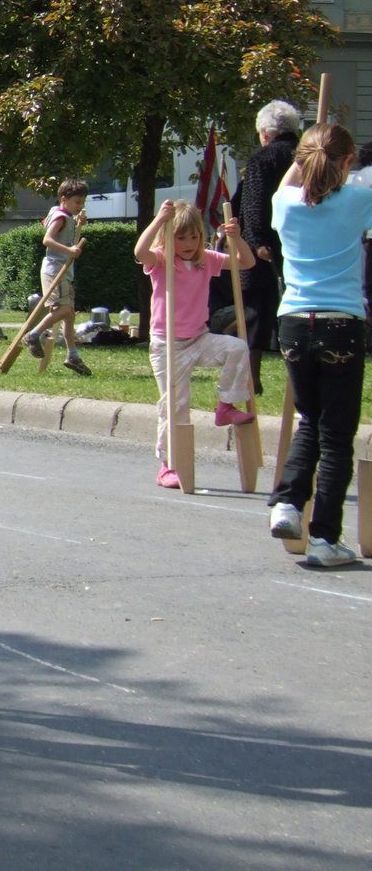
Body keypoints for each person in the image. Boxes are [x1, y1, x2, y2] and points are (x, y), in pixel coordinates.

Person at [267, 122, 372, 567]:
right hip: (341, 322)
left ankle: (288, 504)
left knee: (309, 419)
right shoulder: (359, 200)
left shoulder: (285, 204)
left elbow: (289, 183)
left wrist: (307, 155)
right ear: (347, 162)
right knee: (336, 434)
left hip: (294, 321)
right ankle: (326, 538)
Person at [133, 199, 257, 488]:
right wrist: (159, 219)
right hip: (168, 345)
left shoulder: (206, 259)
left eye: (194, 237)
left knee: (238, 348)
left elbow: (246, 263)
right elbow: (140, 252)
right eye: (181, 237)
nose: (189, 244)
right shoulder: (162, 259)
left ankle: (227, 404)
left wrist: (236, 239)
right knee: (176, 405)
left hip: (199, 338)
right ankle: (168, 464)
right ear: (168, 237)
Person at [240, 100, 302, 394]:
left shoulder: (264, 157)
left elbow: (253, 203)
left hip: (267, 244)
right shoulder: (309, 156)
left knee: (257, 308)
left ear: (265, 133)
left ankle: (253, 377)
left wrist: (256, 243)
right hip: (301, 240)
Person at [22, 179, 91, 376]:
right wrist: (69, 250)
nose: (80, 206)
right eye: (77, 202)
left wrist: (78, 225)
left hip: (64, 271)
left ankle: (72, 355)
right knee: (63, 309)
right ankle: (33, 335)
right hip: (55, 270)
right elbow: (48, 240)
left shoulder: (64, 215)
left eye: (82, 202)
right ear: (63, 199)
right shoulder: (60, 217)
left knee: (69, 315)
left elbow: (67, 238)